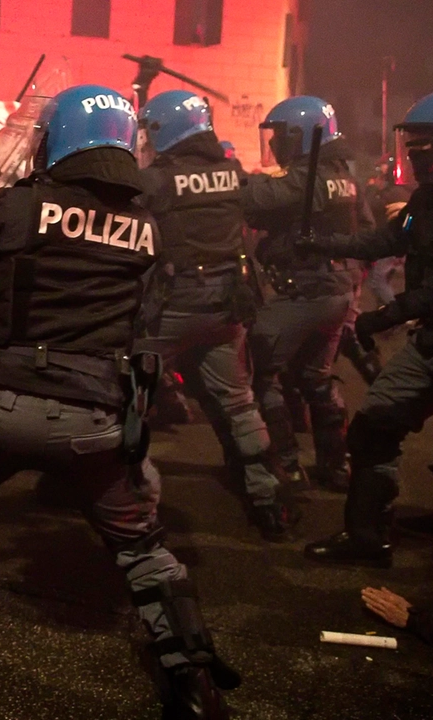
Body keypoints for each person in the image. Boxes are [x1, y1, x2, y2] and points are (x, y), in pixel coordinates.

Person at [0, 85, 239, 719]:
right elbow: (146, 309)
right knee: (143, 544)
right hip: (93, 416)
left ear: (56, 139)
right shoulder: (148, 223)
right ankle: (193, 676)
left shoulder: (20, 206)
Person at [301, 88, 433, 568]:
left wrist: (390, 313)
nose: (416, 155)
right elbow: (391, 237)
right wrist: (324, 244)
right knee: (374, 427)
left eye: (425, 145)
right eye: (412, 145)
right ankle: (366, 537)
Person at [135, 90, 293, 540]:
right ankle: (270, 502)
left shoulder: (156, 181)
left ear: (164, 131)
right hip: (227, 304)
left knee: (126, 398)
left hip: (172, 304)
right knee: (239, 402)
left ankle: (128, 504)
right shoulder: (230, 172)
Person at [244, 96, 372, 493]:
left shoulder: (307, 175)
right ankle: (336, 466)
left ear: (301, 136)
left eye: (280, 134)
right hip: (338, 290)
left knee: (259, 372)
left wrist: (225, 177)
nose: (275, 142)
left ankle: (286, 467)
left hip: (303, 290)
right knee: (317, 378)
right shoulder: (344, 177)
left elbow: (254, 199)